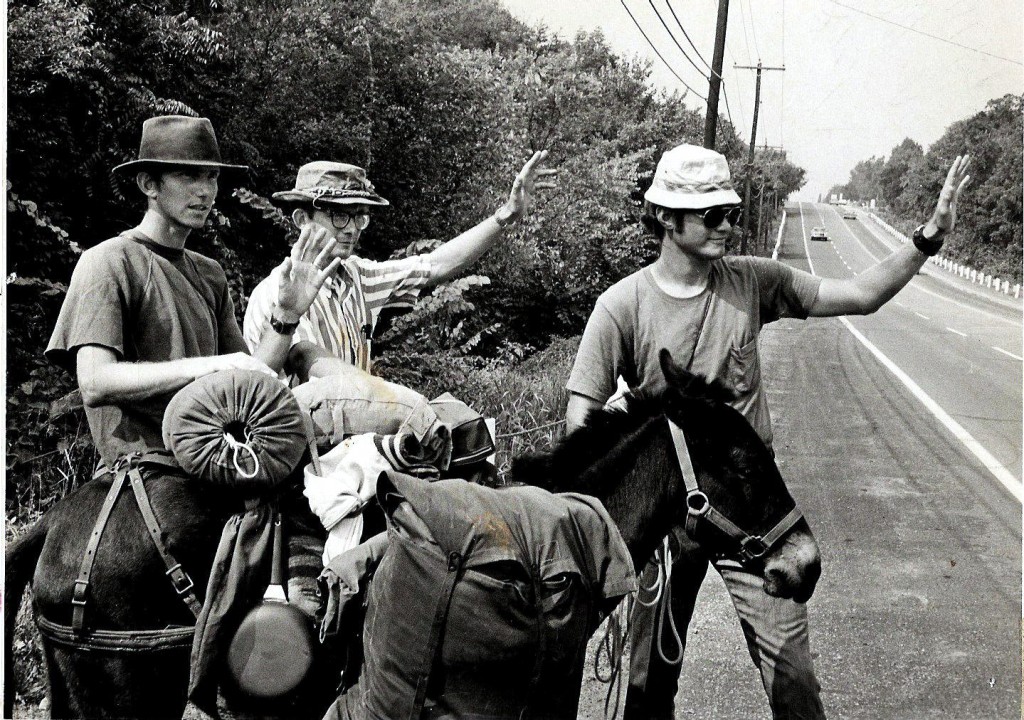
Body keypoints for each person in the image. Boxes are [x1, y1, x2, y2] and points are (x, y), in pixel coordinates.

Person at [564, 143, 970, 719]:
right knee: (648, 685)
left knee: (792, 675)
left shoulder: (752, 282)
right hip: (666, 527)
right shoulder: (621, 307)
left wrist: (927, 237)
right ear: (665, 217)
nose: (728, 225)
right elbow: (581, 427)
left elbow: (860, 295)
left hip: (748, 516)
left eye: (730, 212)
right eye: (712, 215)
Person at [46, 115, 342, 467]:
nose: (204, 191)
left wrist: (287, 315)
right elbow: (95, 382)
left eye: (211, 177)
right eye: (188, 176)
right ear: (148, 184)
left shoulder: (209, 273)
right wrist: (208, 367)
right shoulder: (109, 261)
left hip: (217, 461)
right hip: (146, 472)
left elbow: (251, 375)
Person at [242, 154, 556, 433]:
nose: (351, 228)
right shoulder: (274, 293)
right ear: (302, 220)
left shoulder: (356, 275)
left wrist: (505, 214)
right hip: (296, 441)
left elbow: (433, 266)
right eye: (339, 215)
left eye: (359, 215)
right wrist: (398, 402)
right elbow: (306, 359)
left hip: (357, 428)